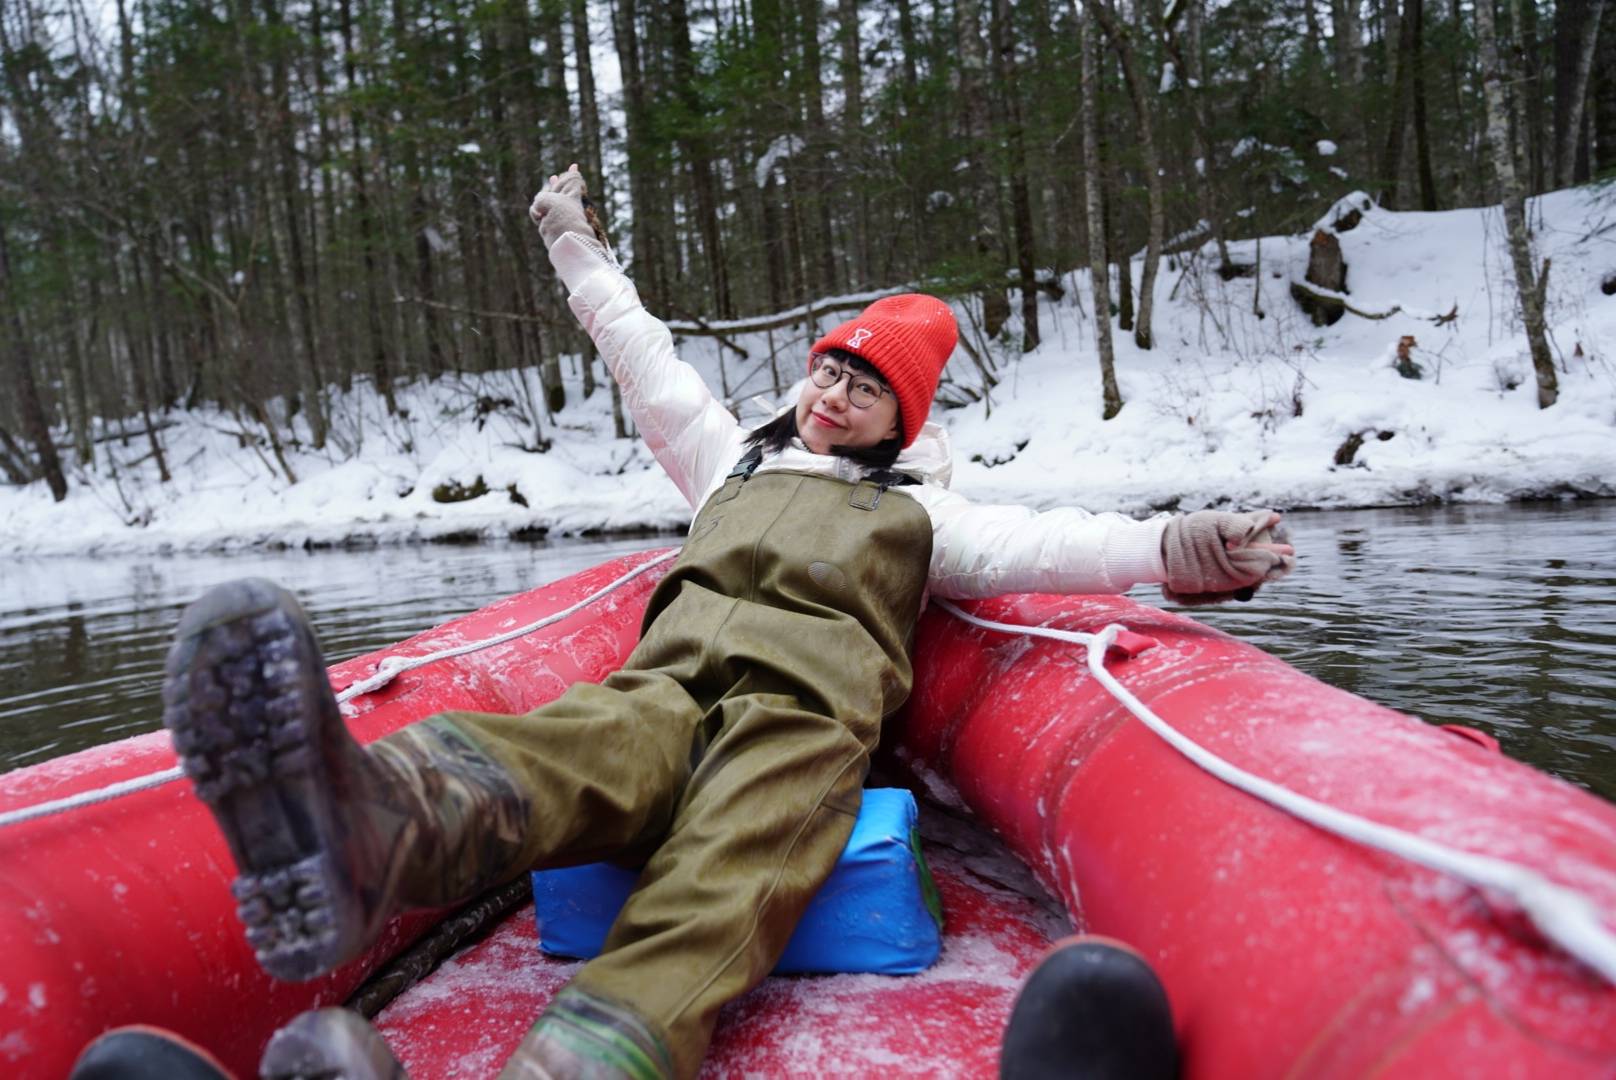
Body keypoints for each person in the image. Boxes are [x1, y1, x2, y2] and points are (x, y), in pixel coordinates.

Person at [124, 165, 1293, 1080]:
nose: (829, 392)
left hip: (799, 720)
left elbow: (1056, 544)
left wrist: (1179, 551)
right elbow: (644, 360)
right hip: (667, 685)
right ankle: (365, 829)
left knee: (725, 869)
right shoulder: (729, 457)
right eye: (825, 370)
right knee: (571, 740)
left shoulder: (929, 516)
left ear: (899, 418)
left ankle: (591, 1050)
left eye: (861, 385)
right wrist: (576, 250)